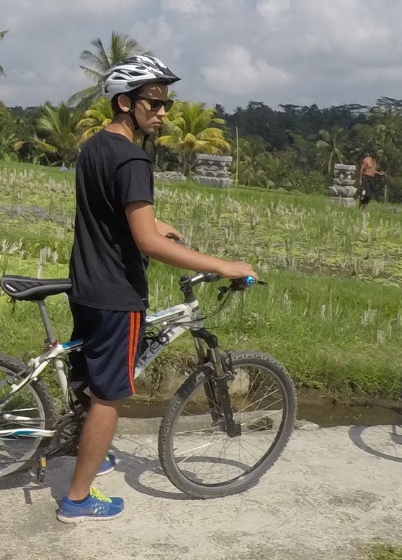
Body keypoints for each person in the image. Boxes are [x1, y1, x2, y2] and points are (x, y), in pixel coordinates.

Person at [63, 54, 257, 523]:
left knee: (92, 380)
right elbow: (145, 241)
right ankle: (77, 499)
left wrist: (153, 223)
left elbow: (110, 213)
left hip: (84, 282)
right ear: (125, 102)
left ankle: (92, 451)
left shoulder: (96, 146)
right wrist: (225, 265)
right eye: (154, 102)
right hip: (116, 292)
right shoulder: (132, 158)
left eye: (167, 102)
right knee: (110, 396)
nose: (163, 112)